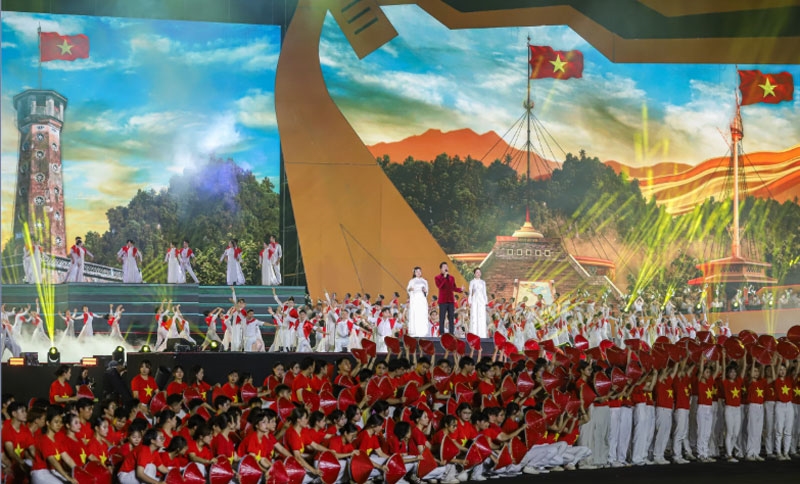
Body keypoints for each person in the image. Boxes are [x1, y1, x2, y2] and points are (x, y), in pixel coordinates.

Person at [434, 262, 463, 335]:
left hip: (451, 300)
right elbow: (440, 286)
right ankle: (441, 333)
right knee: (442, 317)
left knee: (451, 317)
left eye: (447, 266)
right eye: (444, 267)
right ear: (441, 269)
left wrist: (460, 289)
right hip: (443, 300)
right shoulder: (437, 277)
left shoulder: (452, 278)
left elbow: (453, 288)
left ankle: (451, 333)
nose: (446, 268)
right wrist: (444, 277)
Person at [406, 267, 429, 337]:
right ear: (414, 273)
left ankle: (423, 332)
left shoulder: (424, 281)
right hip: (415, 298)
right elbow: (408, 289)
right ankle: (415, 332)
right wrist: (410, 289)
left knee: (422, 314)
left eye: (419, 271)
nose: (418, 273)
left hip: (422, 298)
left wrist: (425, 291)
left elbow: (427, 291)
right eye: (417, 272)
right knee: (416, 314)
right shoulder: (412, 281)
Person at [469, 268, 488, 337]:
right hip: (475, 300)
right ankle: (474, 333)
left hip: (481, 300)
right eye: (477, 272)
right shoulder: (472, 282)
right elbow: (470, 293)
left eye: (479, 272)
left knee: (481, 316)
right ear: (474, 274)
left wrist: (486, 301)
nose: (478, 274)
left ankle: (482, 334)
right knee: (475, 315)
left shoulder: (483, 282)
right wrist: (470, 301)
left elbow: (484, 292)